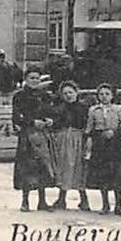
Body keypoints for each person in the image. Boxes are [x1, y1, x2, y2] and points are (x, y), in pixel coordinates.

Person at [84, 83, 121, 216]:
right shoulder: (93, 110)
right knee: (102, 174)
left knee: (117, 174)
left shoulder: (119, 110)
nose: (104, 97)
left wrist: (115, 133)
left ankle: (119, 205)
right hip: (100, 145)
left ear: (112, 96)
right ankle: (105, 205)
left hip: (115, 145)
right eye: (101, 94)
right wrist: (95, 137)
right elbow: (89, 129)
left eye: (107, 94)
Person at [10, 70, 55, 211]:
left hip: (42, 134)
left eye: (37, 78)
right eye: (31, 78)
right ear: (25, 79)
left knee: (43, 165)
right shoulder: (19, 96)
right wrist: (32, 122)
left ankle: (42, 201)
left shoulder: (45, 96)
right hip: (27, 135)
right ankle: (25, 201)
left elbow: (51, 112)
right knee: (27, 167)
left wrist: (49, 121)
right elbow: (17, 117)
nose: (35, 80)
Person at [45, 80, 90, 210]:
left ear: (76, 93)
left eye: (70, 92)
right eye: (65, 93)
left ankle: (84, 199)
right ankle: (61, 199)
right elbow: (55, 123)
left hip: (79, 139)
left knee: (80, 168)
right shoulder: (59, 108)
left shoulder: (83, 108)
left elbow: (88, 124)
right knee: (63, 167)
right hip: (63, 139)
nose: (68, 95)